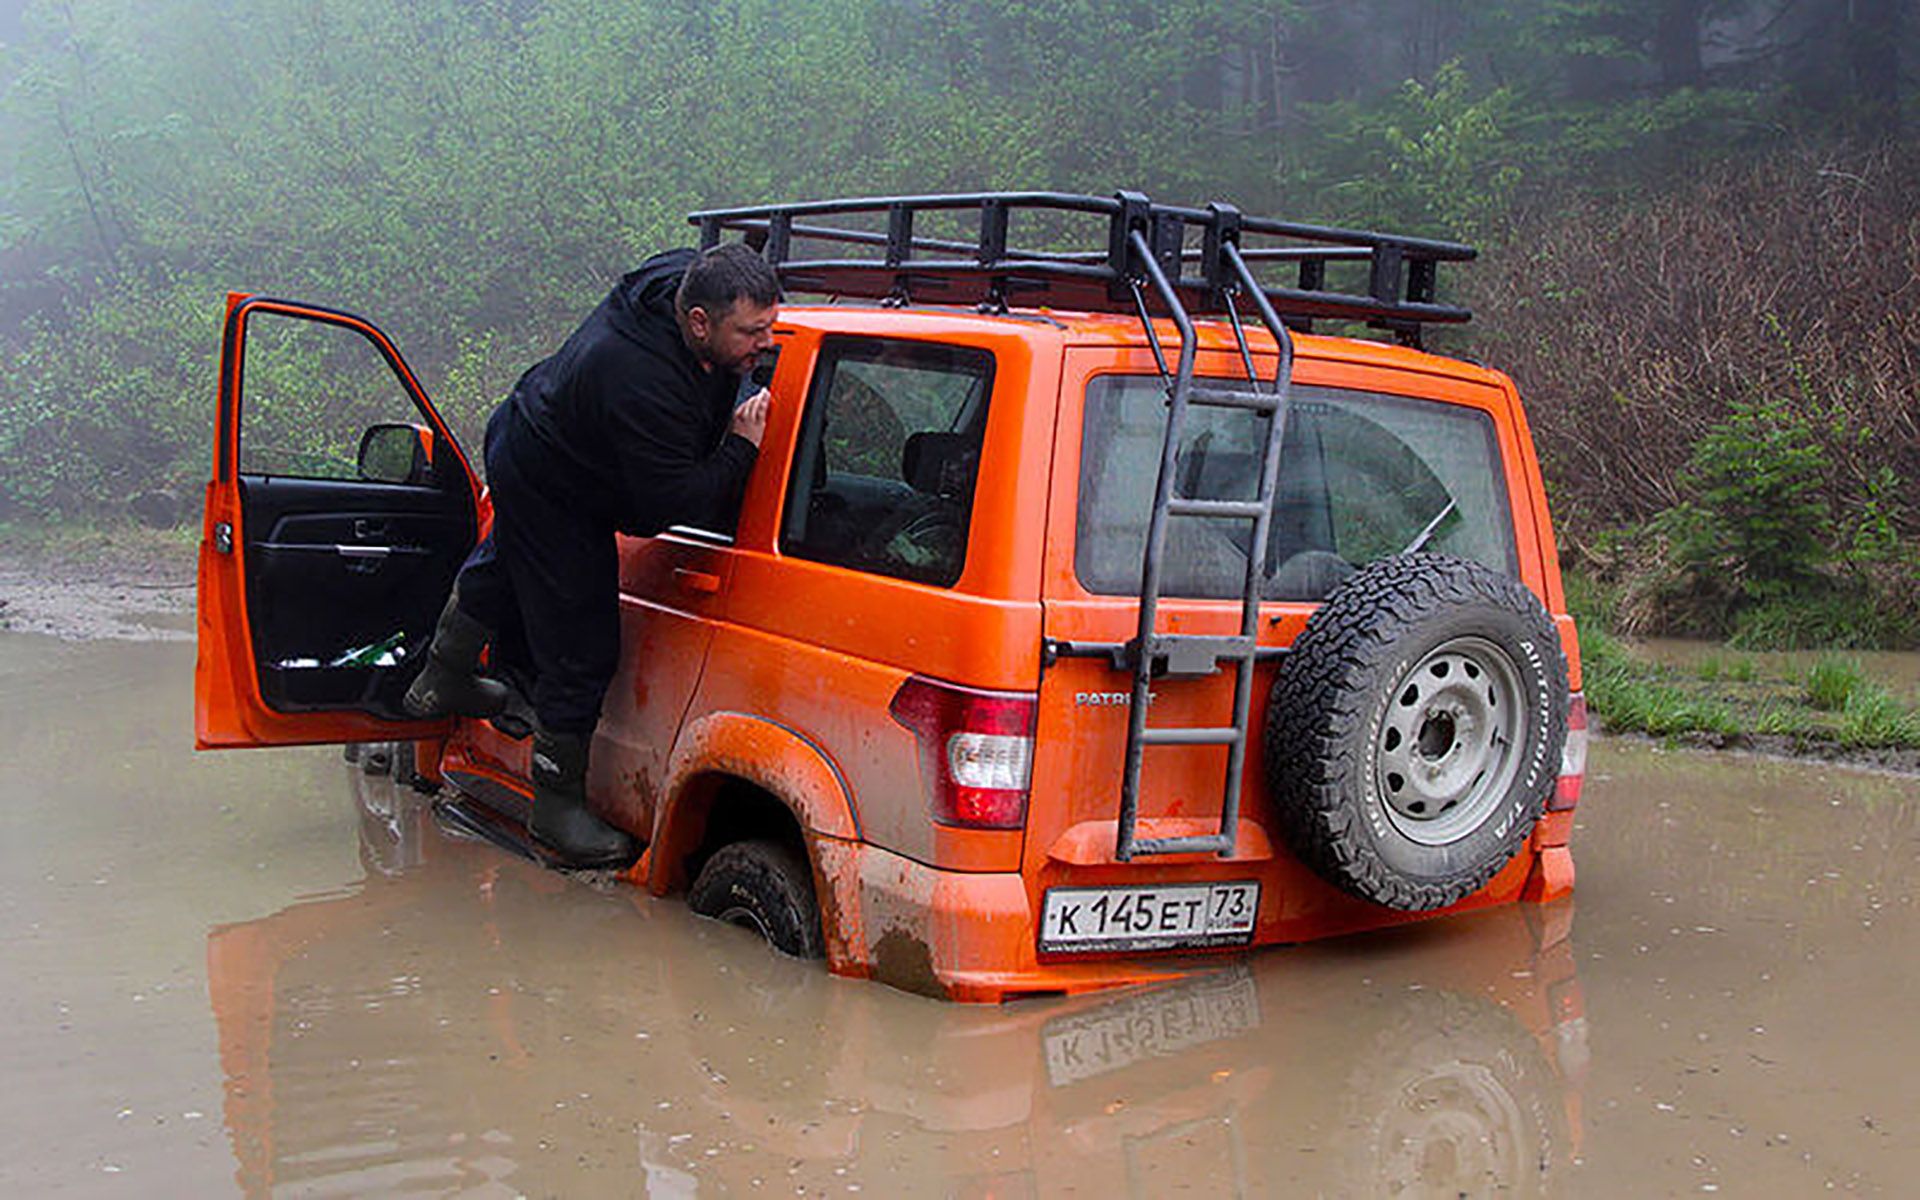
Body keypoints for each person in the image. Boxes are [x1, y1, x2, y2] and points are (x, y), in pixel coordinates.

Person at [404, 244, 780, 867]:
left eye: (770, 327)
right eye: (750, 333)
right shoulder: (639, 378)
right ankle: (557, 813)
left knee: (505, 561)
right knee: (582, 643)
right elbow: (668, 506)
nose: (762, 345)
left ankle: (441, 675)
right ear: (698, 322)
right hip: (556, 478)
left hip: (534, 432)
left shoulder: (682, 279)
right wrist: (741, 448)